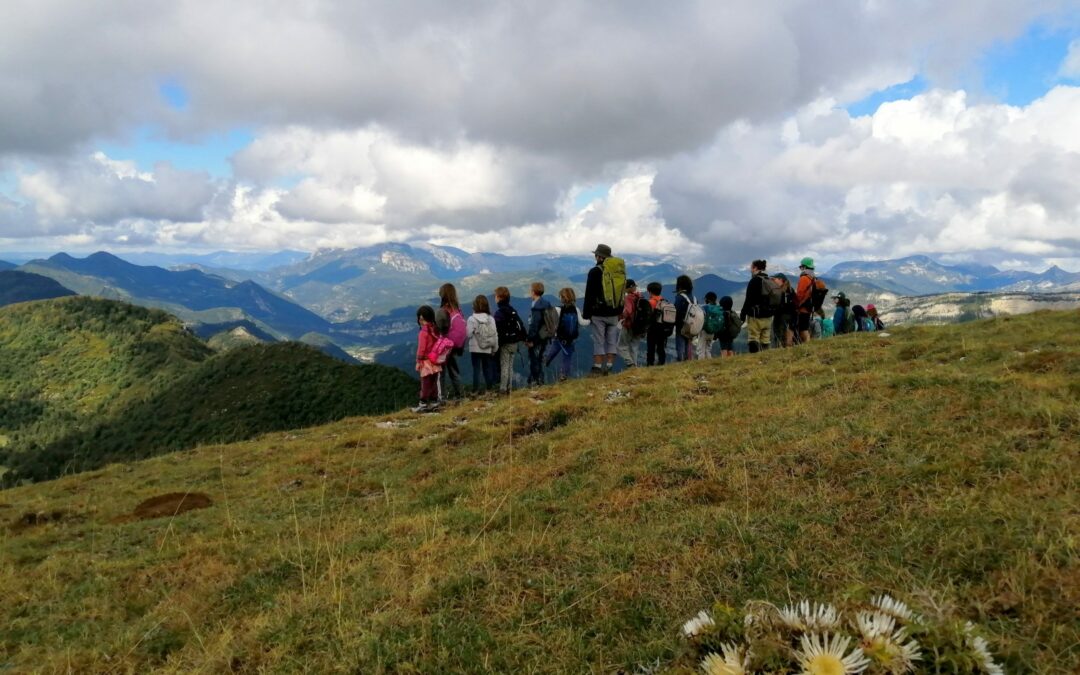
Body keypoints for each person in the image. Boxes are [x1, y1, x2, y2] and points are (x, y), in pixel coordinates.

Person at [581, 243, 623, 375]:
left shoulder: (595, 272)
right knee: (611, 340)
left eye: (596, 255)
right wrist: (619, 310)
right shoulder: (616, 271)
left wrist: (586, 314)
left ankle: (598, 367)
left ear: (599, 256)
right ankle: (609, 367)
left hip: (598, 313)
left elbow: (589, 294)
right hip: (614, 312)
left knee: (599, 340)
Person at [435, 283, 466, 401]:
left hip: (444, 346)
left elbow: (438, 329)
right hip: (454, 346)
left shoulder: (442, 311)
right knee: (454, 371)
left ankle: (441, 398)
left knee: (440, 372)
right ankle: (461, 395)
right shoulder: (457, 309)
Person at [493, 286, 526, 394]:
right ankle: (510, 388)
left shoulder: (499, 313)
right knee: (510, 366)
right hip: (514, 342)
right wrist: (524, 338)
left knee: (504, 366)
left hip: (505, 344)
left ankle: (503, 389)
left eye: (495, 296)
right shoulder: (512, 310)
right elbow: (520, 325)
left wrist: (496, 345)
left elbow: (497, 331)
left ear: (499, 297)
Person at [740, 259, 776, 353]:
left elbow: (748, 300)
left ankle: (754, 359)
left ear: (755, 268)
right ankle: (766, 357)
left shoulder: (754, 281)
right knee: (765, 339)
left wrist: (743, 314)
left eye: (751, 267)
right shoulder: (769, 280)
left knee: (753, 338)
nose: (750, 269)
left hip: (755, 316)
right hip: (768, 316)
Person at [545, 287, 580, 381]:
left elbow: (552, 321)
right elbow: (582, 322)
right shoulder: (575, 309)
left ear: (562, 298)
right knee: (567, 358)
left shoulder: (558, 309)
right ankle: (563, 376)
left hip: (559, 338)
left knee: (551, 352)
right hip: (570, 340)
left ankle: (544, 362)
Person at [466, 294, 498, 395]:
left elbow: (468, 334)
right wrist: (494, 349)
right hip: (487, 348)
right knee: (487, 368)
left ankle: (475, 390)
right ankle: (489, 389)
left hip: (475, 349)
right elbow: (494, 334)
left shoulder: (471, 319)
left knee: (476, 369)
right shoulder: (491, 319)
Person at [414, 305, 441, 412]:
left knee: (425, 383)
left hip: (425, 362)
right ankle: (434, 402)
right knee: (434, 382)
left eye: (420, 318)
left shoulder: (423, 333)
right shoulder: (435, 329)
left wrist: (418, 361)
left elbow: (421, 348)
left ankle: (423, 403)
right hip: (435, 361)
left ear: (421, 318)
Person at [525, 281, 553, 386]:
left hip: (537, 338)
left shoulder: (537, 306)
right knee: (539, 359)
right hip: (545, 336)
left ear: (533, 292)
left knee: (534, 360)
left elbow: (534, 325)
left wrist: (530, 339)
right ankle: (537, 380)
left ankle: (537, 381)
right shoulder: (546, 303)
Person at [617, 279, 643, 368]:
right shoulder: (639, 297)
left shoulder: (628, 298)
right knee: (634, 347)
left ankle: (630, 363)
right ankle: (634, 366)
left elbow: (628, 311)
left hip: (629, 325)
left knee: (621, 346)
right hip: (639, 326)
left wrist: (620, 317)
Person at [646, 281, 672, 366]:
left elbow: (648, 316)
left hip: (653, 327)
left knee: (651, 347)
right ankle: (662, 363)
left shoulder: (651, 302)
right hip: (663, 327)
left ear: (650, 291)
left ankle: (650, 364)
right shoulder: (664, 301)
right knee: (661, 347)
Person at [793, 257, 817, 345]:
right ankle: (807, 344)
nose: (800, 269)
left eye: (801, 267)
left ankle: (808, 345)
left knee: (803, 329)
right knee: (804, 327)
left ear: (804, 267)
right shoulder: (813, 277)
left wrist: (796, 304)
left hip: (803, 308)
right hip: (809, 307)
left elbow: (800, 294)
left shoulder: (804, 278)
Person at [673, 274, 696, 362]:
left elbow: (677, 310)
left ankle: (680, 361)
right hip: (692, 324)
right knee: (688, 344)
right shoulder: (693, 297)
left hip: (681, 324)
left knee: (680, 344)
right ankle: (687, 360)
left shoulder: (680, 297)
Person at [771, 272, 796, 347]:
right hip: (790, 316)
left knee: (778, 333)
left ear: (780, 280)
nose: (773, 281)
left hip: (781, 316)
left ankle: (779, 348)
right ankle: (784, 348)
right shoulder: (791, 290)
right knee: (785, 334)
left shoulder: (780, 291)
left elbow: (778, 304)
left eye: (774, 279)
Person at [698, 292, 722, 359]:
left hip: (704, 331)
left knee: (701, 350)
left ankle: (700, 365)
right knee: (708, 349)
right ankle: (709, 363)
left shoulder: (704, 307)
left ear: (707, 299)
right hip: (712, 332)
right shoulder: (717, 308)